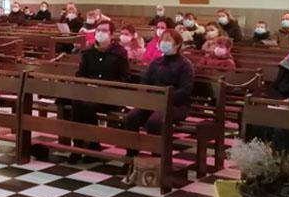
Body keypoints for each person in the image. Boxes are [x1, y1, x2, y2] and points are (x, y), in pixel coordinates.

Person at [61, 20, 130, 162]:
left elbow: (124, 79)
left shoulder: (119, 53)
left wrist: (103, 87)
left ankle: (90, 145)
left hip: (109, 96)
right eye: (98, 30)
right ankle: (81, 145)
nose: (101, 33)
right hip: (88, 93)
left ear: (111, 35)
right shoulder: (88, 52)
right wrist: (88, 84)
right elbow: (80, 74)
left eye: (104, 31)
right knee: (78, 102)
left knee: (85, 104)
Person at [123, 28, 195, 159]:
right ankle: (131, 156)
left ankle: (158, 158)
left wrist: (165, 98)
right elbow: (145, 81)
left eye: (167, 40)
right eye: (162, 40)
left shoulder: (185, 65)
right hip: (153, 102)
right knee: (131, 118)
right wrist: (146, 94)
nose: (163, 43)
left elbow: (185, 90)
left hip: (175, 104)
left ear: (177, 44)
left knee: (154, 122)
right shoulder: (156, 62)